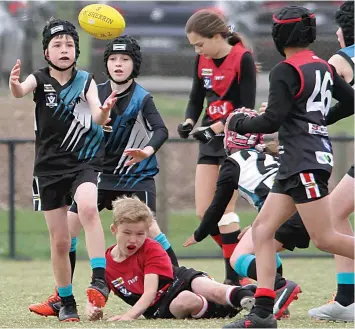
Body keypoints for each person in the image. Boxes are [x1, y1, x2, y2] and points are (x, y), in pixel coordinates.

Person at [222, 5, 355, 328]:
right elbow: (351, 101)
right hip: (302, 159)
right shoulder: (323, 65)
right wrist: (317, 121)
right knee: (263, 230)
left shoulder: (285, 69)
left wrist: (238, 121)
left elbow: (272, 120)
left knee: (324, 238)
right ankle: (264, 312)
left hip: (303, 160)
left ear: (279, 35)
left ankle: (264, 310)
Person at [28, 35, 179, 317]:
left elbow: (161, 130)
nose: (118, 64)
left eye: (125, 59)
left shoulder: (142, 97)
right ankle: (62, 296)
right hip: (97, 174)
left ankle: (178, 279)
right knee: (66, 234)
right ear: (105, 63)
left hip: (135, 175)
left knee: (151, 232)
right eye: (112, 59)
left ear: (135, 65)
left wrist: (146, 151)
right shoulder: (91, 90)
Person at [9, 19, 118, 322]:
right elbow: (20, 92)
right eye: (57, 45)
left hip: (84, 161)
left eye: (69, 44)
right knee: (59, 241)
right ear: (47, 52)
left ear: (76, 50)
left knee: (88, 208)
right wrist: (15, 85)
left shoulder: (85, 80)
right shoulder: (40, 78)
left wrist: (104, 111)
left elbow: (97, 113)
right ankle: (65, 300)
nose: (64, 49)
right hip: (48, 168)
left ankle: (99, 279)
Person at [183, 109, 305, 320]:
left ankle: (279, 286)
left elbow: (216, 208)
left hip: (283, 215)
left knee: (237, 258)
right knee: (263, 247)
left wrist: (199, 234)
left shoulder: (233, 164)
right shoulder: (268, 152)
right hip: (305, 211)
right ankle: (276, 296)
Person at [177, 9, 257, 285]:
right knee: (204, 214)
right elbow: (196, 96)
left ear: (216, 36)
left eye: (200, 44)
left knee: (224, 211)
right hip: (209, 141)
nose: (198, 50)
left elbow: (245, 108)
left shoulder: (242, 58)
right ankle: (243, 258)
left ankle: (235, 279)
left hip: (233, 141)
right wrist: (189, 121)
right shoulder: (202, 59)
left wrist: (215, 128)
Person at [85, 196, 256, 322]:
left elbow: (150, 291)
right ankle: (233, 304)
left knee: (204, 286)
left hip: (180, 280)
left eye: (140, 234)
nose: (133, 240)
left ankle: (247, 297)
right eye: (127, 233)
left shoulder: (151, 248)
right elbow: (96, 294)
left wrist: (129, 316)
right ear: (114, 230)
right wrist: (92, 309)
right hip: (160, 306)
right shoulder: (105, 263)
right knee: (185, 300)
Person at [308, 1, 354, 322]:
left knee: (330, 218)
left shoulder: (342, 57)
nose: (336, 33)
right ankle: (347, 300)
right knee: (336, 212)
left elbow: (313, 101)